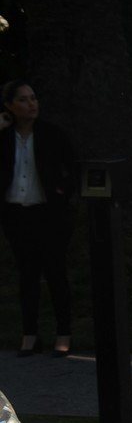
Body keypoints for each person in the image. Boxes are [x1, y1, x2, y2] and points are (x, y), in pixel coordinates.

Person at [1, 79, 78, 358]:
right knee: (27, 277)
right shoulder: (5, 137)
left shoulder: (51, 134)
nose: (30, 104)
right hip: (17, 214)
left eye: (33, 98)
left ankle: (63, 332)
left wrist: (61, 190)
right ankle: (30, 333)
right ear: (9, 106)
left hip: (48, 214)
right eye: (22, 99)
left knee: (56, 274)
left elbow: (74, 168)